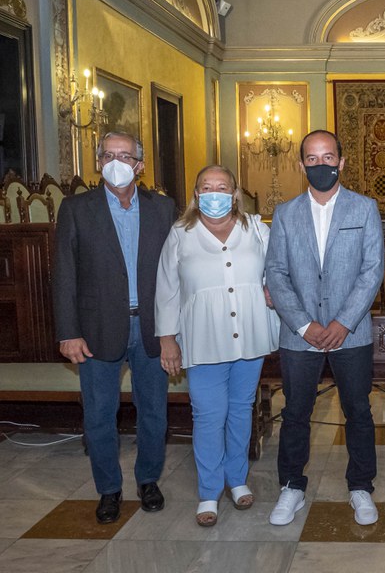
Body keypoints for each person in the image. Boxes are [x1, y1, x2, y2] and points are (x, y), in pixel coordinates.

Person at [53, 131, 175, 524]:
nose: (116, 162)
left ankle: (148, 480)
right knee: (99, 414)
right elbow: (64, 274)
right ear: (98, 162)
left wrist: (175, 330)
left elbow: (177, 272)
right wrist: (68, 332)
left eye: (125, 156)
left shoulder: (163, 208)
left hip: (152, 327)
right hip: (95, 329)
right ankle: (108, 489)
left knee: (154, 411)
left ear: (140, 165)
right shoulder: (76, 209)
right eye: (108, 155)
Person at [265, 130, 384, 527]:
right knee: (295, 412)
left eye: (328, 157)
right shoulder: (285, 213)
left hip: (351, 332)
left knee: (358, 411)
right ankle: (291, 486)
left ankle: (361, 486)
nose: (321, 165)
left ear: (341, 162)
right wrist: (303, 325)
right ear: (301, 165)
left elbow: (372, 271)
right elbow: (276, 273)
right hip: (299, 334)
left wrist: (342, 322)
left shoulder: (364, 209)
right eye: (312, 159)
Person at [154, 165, 278, 527]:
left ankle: (236, 480)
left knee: (240, 410)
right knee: (209, 415)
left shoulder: (256, 228)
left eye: (221, 187)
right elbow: (166, 289)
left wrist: (272, 287)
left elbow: (277, 268)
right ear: (196, 195)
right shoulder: (181, 234)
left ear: (234, 194)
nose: (214, 193)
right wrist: (167, 339)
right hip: (203, 337)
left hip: (249, 335)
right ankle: (209, 491)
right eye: (206, 187)